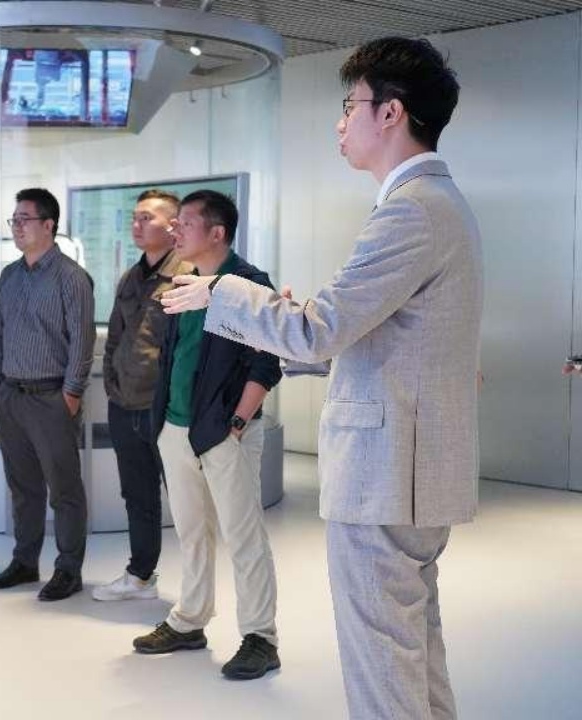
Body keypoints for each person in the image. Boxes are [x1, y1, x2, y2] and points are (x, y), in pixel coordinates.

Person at [163, 37, 480, 718]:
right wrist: (290, 323)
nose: (340, 123)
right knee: (413, 654)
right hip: (409, 472)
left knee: (383, 670)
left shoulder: (411, 210)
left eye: (349, 105)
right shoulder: (436, 204)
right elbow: (370, 340)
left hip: (388, 475)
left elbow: (318, 329)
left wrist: (221, 292)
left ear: (391, 113)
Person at [131, 190, 283, 681]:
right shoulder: (185, 281)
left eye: (186, 223)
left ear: (217, 232)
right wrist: (162, 422)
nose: (175, 230)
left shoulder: (248, 283)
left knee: (243, 535)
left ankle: (260, 637)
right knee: (192, 531)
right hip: (176, 426)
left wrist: (237, 423)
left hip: (224, 432)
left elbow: (266, 362)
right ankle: (190, 620)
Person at [0, 187, 96, 601]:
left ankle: (68, 569)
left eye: (24, 219)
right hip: (11, 397)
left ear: (49, 225)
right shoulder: (9, 276)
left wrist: (70, 395)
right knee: (23, 487)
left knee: (64, 490)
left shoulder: (71, 277)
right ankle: (25, 561)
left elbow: (82, 342)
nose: (17, 227)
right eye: (13, 220)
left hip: (52, 398)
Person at [94, 189, 191, 602]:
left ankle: (197, 589)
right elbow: (115, 339)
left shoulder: (187, 275)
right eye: (134, 217)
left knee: (187, 500)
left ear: (173, 226)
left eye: (147, 218)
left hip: (167, 409)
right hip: (125, 404)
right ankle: (140, 575)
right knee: (138, 495)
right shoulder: (130, 278)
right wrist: (112, 385)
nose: (137, 224)